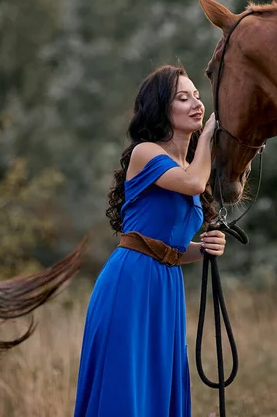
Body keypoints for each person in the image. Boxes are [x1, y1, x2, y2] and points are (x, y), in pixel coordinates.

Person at [74, 65, 227, 417]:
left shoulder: (188, 165)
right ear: (161, 108)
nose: (196, 104)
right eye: (182, 97)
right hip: (131, 283)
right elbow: (193, 184)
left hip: (165, 286)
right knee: (126, 389)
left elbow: (169, 247)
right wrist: (207, 140)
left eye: (198, 97)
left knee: (157, 387)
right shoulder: (146, 152)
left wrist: (203, 250)